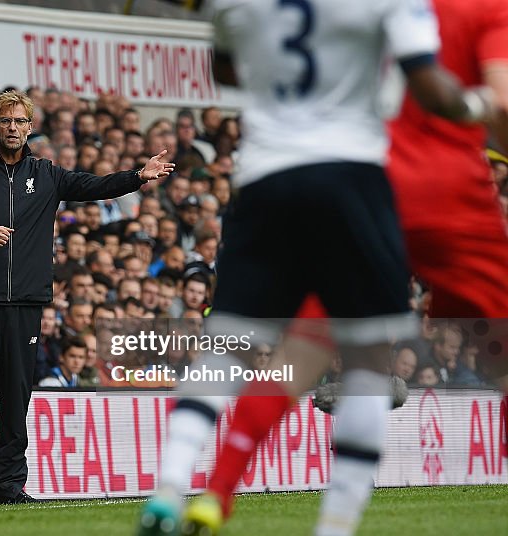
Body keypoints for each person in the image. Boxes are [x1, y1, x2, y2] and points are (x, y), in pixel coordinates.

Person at [137, 1, 504, 536]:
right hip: (393, 184)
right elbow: (450, 88)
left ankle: (191, 487)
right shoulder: (452, 7)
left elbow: (224, 66)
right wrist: (478, 107)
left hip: (277, 177)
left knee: (269, 342)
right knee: (380, 358)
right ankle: (333, 524)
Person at [0, 89, 175, 507]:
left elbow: (96, 186)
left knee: (16, 398)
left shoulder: (47, 174)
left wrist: (138, 176)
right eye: (5, 121)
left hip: (27, 303)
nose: (13, 128)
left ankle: (10, 486)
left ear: (31, 127)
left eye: (20, 121)